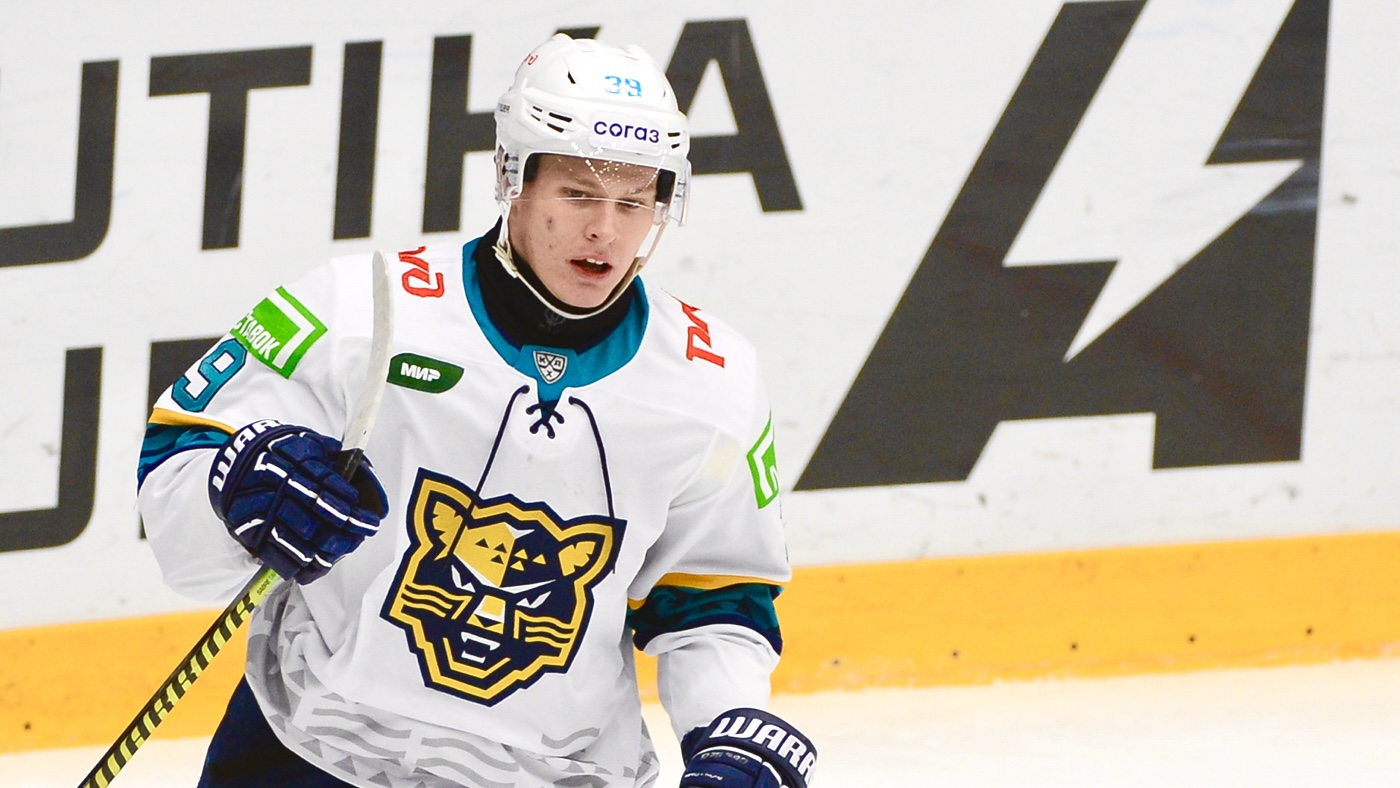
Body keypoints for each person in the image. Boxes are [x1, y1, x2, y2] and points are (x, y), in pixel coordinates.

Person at [137, 33, 817, 787]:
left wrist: (726, 729)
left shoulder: (712, 384)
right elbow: (179, 483)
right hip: (308, 752)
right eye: (579, 194)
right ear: (511, 176)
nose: (606, 230)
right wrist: (237, 487)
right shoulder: (361, 311)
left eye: (634, 202)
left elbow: (715, 597)